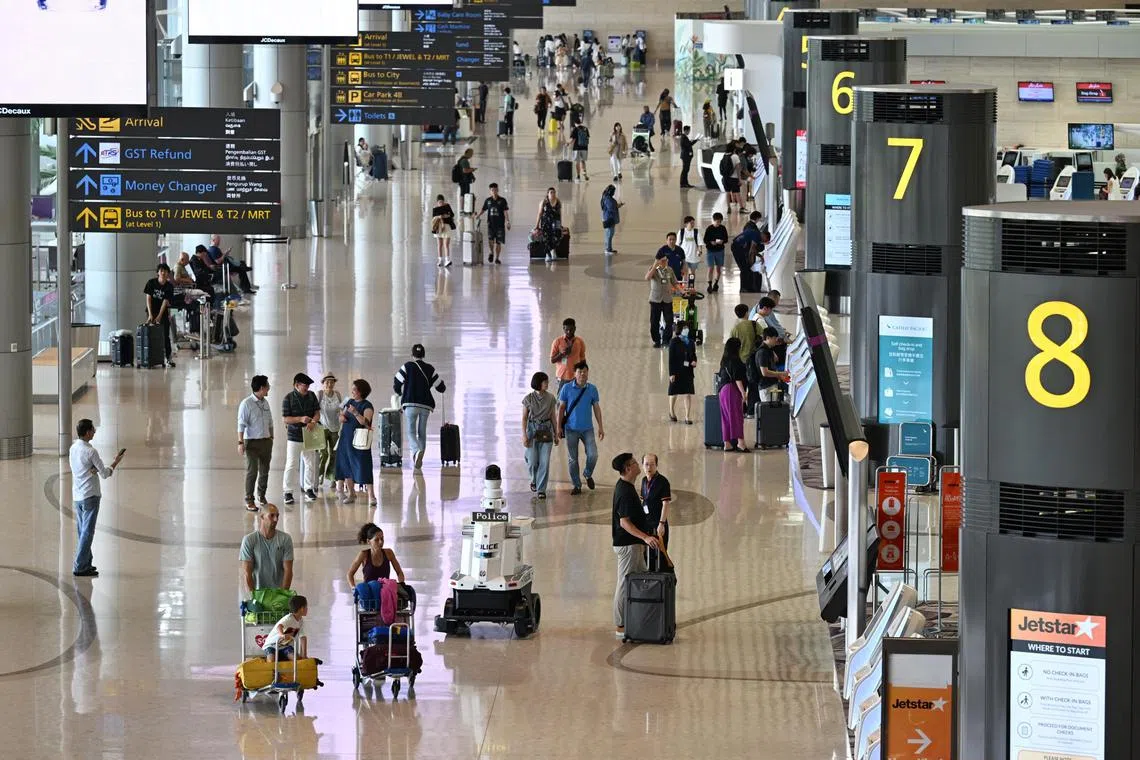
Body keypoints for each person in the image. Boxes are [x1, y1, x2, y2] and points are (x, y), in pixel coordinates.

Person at [611, 452, 659, 637]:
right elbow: (624, 522)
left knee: (641, 579)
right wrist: (645, 537)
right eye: (635, 463)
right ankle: (620, 625)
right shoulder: (624, 491)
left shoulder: (628, 487)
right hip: (628, 545)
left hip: (634, 545)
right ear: (629, 468)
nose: (639, 465)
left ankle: (640, 617)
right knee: (625, 583)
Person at [68, 418, 123, 578]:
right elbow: (105, 474)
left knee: (82, 531)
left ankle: (86, 563)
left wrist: (89, 469)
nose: (95, 431)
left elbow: (77, 468)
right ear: (87, 432)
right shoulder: (91, 451)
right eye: (92, 429)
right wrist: (115, 462)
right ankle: (79, 566)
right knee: (88, 532)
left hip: (77, 495)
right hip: (90, 495)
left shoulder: (73, 448)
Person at [393, 344, 447, 470]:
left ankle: (416, 451)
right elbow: (440, 387)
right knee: (421, 432)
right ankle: (419, 456)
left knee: (411, 431)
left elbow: (397, 381)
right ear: (424, 355)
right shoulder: (430, 368)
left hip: (410, 404)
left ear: (412, 355)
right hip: (425, 405)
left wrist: (400, 393)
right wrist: (443, 387)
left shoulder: (407, 366)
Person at [555, 361, 605, 495]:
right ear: (574, 374)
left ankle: (587, 474)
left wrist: (600, 426)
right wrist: (559, 427)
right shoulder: (566, 388)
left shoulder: (592, 389)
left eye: (584, 371)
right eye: (579, 371)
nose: (582, 374)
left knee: (593, 454)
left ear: (588, 373)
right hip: (571, 429)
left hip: (587, 429)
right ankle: (576, 485)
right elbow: (561, 409)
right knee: (573, 459)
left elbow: (596, 408)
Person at [346, 523, 417, 609]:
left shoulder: (388, 553)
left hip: (385, 591)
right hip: (370, 595)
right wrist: (353, 588)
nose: (381, 542)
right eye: (376, 540)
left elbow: (399, 572)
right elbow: (350, 574)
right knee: (373, 587)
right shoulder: (364, 555)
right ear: (369, 541)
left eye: (382, 539)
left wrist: (401, 584)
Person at [281, 372, 321, 506]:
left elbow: (317, 413)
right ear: (296, 385)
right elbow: (285, 419)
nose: (307, 388)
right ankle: (288, 492)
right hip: (294, 436)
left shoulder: (311, 396)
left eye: (308, 386)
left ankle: (309, 489)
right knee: (291, 464)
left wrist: (313, 422)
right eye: (305, 386)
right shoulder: (288, 398)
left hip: (309, 435)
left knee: (310, 462)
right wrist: (300, 419)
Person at [334, 378, 376, 504]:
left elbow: (366, 423)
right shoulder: (349, 401)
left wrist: (356, 413)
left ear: (361, 391)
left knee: (363, 466)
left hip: (360, 440)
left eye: (354, 390)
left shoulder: (367, 405)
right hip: (346, 439)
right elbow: (341, 414)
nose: (352, 392)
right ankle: (351, 493)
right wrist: (341, 416)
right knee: (347, 466)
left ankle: (371, 496)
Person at [237, 374, 274, 512]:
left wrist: (271, 436)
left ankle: (261, 495)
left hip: (266, 441)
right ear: (261, 387)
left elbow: (270, 420)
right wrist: (240, 442)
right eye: (267, 386)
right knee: (252, 471)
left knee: (265, 471)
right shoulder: (246, 404)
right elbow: (241, 424)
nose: (269, 388)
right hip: (251, 443)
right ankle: (249, 499)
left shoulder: (265, 402)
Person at [239, 504, 294, 593]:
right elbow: (247, 573)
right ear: (262, 517)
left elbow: (288, 571)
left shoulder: (285, 539)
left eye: (277, 516)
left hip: (278, 593)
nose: (276, 519)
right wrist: (253, 597)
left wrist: (282, 595)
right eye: (271, 515)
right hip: (257, 592)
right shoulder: (249, 540)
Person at [521, 371, 559, 500]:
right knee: (532, 461)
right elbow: (524, 418)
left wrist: (556, 433)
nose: (547, 384)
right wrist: (524, 435)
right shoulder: (528, 398)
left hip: (546, 430)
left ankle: (541, 489)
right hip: (532, 430)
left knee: (544, 461)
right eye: (545, 382)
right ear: (538, 383)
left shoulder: (551, 398)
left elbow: (553, 416)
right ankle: (533, 480)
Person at [717, 337, 750, 452]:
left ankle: (727, 443)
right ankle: (741, 443)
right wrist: (743, 393)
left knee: (726, 418)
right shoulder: (735, 360)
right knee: (737, 417)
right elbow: (737, 378)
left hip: (722, 390)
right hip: (732, 390)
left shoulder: (724, 360)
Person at [143, 263, 176, 367]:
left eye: (165, 271)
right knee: (151, 335)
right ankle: (151, 358)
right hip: (151, 311)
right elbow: (148, 299)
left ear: (168, 273)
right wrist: (150, 315)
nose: (163, 273)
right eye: (161, 271)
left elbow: (165, 302)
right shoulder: (151, 283)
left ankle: (169, 358)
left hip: (163, 313)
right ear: (158, 273)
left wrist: (159, 317)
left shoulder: (169, 286)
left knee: (165, 335)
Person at [317, 373, 343, 491]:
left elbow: (342, 409)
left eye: (332, 382)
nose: (329, 384)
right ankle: (319, 475)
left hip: (335, 428)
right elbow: (315, 410)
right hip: (323, 427)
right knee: (323, 453)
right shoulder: (320, 394)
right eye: (327, 382)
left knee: (334, 453)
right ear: (323, 384)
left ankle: (332, 477)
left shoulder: (337, 394)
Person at [646, 251, 678, 348]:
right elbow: (647, 277)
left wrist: (682, 290)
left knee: (669, 321)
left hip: (667, 299)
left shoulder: (670, 270)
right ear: (659, 261)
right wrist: (655, 264)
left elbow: (675, 283)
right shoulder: (653, 270)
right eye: (662, 261)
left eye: (666, 260)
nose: (664, 262)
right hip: (655, 300)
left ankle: (666, 340)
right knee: (654, 321)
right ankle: (656, 340)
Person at [263, 595, 308, 663]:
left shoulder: (301, 621)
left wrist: (304, 655)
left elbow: (303, 637)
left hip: (285, 646)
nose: (307, 609)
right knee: (271, 660)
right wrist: (282, 635)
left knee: (296, 660)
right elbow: (279, 626)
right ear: (302, 608)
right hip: (272, 645)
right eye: (306, 607)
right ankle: (273, 671)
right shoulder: (289, 618)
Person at [640, 454, 673, 548]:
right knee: (647, 553)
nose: (649, 467)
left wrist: (661, 523)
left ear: (656, 465)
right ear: (642, 465)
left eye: (652, 464)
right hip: (647, 522)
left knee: (660, 552)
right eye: (646, 464)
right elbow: (643, 501)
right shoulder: (643, 481)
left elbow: (665, 504)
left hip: (658, 522)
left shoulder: (663, 482)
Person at [667, 324, 697, 423]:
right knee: (674, 392)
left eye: (687, 328)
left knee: (688, 393)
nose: (686, 330)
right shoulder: (674, 342)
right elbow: (671, 359)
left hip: (688, 371)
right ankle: (671, 412)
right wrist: (672, 373)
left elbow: (693, 354)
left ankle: (687, 417)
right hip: (677, 371)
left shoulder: (691, 342)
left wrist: (694, 361)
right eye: (684, 329)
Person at [476, 183, 511, 264]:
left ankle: (497, 258)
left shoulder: (502, 200)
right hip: (490, 225)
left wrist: (508, 221)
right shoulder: (488, 201)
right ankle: (491, 252)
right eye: (492, 190)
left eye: (495, 190)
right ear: (490, 191)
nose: (494, 192)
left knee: (498, 242)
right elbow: (483, 209)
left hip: (500, 225)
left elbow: (505, 211)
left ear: (498, 190)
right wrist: (478, 215)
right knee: (490, 241)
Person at [755, 327, 792, 402]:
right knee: (769, 412)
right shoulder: (762, 352)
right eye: (774, 338)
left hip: (771, 385)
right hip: (766, 387)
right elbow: (765, 372)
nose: (776, 340)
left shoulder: (768, 350)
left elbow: (775, 361)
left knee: (773, 411)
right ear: (768, 338)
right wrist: (781, 373)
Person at [549, 317, 586, 389]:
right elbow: (552, 360)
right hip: (561, 376)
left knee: (576, 398)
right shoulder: (557, 341)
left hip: (576, 376)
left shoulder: (580, 342)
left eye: (571, 329)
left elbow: (583, 359)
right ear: (563, 328)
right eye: (566, 330)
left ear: (575, 328)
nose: (569, 332)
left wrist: (584, 374)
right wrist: (562, 354)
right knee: (561, 399)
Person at [534, 187, 564, 263]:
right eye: (551, 192)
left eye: (554, 192)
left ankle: (552, 250)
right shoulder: (544, 202)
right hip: (546, 222)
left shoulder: (558, 202)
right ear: (548, 194)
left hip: (556, 222)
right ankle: (548, 254)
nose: (553, 194)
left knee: (557, 235)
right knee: (546, 237)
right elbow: (539, 213)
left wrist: (560, 224)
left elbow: (560, 213)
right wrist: (537, 225)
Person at [703, 212, 728, 293]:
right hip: (710, 251)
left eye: (720, 222)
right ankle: (709, 284)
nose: (718, 223)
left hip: (720, 250)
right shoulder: (709, 229)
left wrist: (722, 241)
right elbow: (705, 240)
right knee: (710, 268)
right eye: (717, 222)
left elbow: (726, 239)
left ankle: (716, 283)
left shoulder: (723, 228)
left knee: (718, 268)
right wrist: (711, 242)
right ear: (713, 220)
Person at [431, 194, 456, 268]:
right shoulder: (435, 208)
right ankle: (440, 260)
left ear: (444, 201)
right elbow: (433, 217)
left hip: (447, 226)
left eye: (442, 202)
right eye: (439, 202)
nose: (440, 204)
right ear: (437, 202)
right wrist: (439, 216)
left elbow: (452, 214)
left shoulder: (447, 206)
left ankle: (447, 259)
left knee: (446, 244)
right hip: (438, 228)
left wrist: (446, 216)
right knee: (439, 244)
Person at [600, 184, 623, 255]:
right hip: (609, 218)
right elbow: (611, 208)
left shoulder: (606, 198)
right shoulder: (608, 199)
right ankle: (608, 249)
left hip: (608, 218)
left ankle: (609, 248)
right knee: (609, 234)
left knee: (609, 234)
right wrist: (617, 206)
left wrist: (617, 205)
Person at [677, 216, 701, 282]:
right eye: (691, 223)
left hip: (694, 257)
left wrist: (700, 250)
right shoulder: (681, 232)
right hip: (684, 257)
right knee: (684, 272)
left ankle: (691, 287)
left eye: (693, 223)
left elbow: (700, 243)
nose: (693, 224)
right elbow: (677, 244)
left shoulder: (696, 232)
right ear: (686, 224)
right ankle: (684, 287)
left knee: (692, 273)